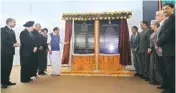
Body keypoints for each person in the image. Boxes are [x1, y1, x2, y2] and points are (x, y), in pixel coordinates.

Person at [155, 3, 175, 93]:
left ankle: (171, 90)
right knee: (168, 71)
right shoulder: (168, 20)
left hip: (171, 50)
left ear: (173, 8)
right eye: (164, 9)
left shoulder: (173, 19)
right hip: (167, 50)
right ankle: (168, 89)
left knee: (171, 72)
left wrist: (158, 43)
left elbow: (168, 33)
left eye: (167, 8)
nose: (165, 10)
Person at [1, 18, 19, 88]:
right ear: (9, 22)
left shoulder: (12, 31)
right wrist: (13, 44)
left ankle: (7, 80)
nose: (15, 24)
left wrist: (16, 43)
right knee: (4, 67)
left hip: (11, 52)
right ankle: (2, 82)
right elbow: (3, 40)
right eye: (14, 22)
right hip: (4, 52)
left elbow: (14, 40)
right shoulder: (2, 30)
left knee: (9, 67)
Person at [154, 10, 167, 89]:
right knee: (160, 69)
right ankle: (164, 85)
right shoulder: (161, 25)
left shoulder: (166, 24)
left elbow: (165, 37)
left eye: (157, 15)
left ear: (163, 15)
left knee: (165, 70)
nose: (156, 17)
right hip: (159, 51)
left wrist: (157, 44)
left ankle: (167, 87)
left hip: (164, 51)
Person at [148, 20, 160, 85]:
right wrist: (149, 48)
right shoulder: (152, 33)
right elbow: (151, 42)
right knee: (152, 65)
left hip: (157, 51)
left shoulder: (159, 32)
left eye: (151, 24)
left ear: (155, 25)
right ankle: (153, 80)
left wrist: (152, 47)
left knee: (156, 66)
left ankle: (158, 81)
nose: (150, 25)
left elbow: (157, 42)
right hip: (152, 51)